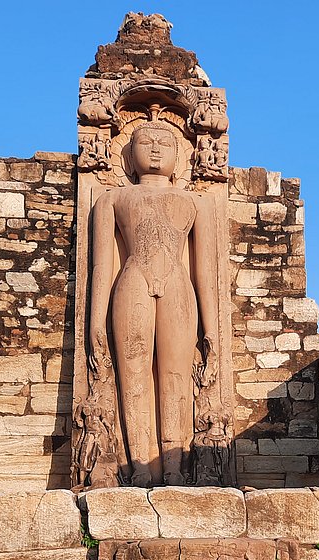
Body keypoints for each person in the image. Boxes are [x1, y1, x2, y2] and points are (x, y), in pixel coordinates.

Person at [87, 122, 219, 486]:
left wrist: (212, 330)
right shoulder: (112, 199)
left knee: (175, 377)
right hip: (132, 283)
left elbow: (204, 271)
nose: (156, 149)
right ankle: (140, 464)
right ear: (129, 155)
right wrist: (95, 322)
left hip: (178, 285)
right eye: (146, 141)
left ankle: (174, 463)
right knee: (133, 375)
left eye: (165, 143)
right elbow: (102, 267)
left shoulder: (195, 202)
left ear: (180, 158)